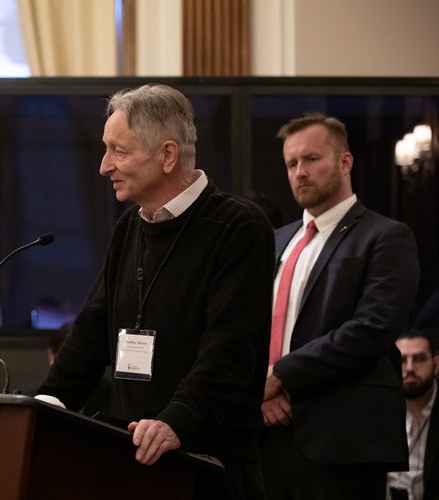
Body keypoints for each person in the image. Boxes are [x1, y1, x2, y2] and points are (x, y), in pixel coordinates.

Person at [36, 84, 275, 499]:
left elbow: (230, 347)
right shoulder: (130, 226)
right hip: (135, 459)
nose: (104, 166)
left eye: (118, 150)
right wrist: (45, 405)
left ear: (167, 155)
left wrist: (176, 421)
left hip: (208, 466)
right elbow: (92, 330)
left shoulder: (240, 227)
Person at [259, 113, 420, 499]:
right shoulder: (276, 241)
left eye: (312, 159)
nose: (300, 171)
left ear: (345, 161)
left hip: (342, 440)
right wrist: (257, 394)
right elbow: (247, 326)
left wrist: (279, 377)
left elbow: (371, 330)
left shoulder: (385, 236)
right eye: (292, 163)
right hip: (264, 434)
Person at [388, 329, 439, 500]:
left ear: (436, 364)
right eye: (402, 361)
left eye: (419, 359)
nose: (409, 368)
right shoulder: (378, 412)